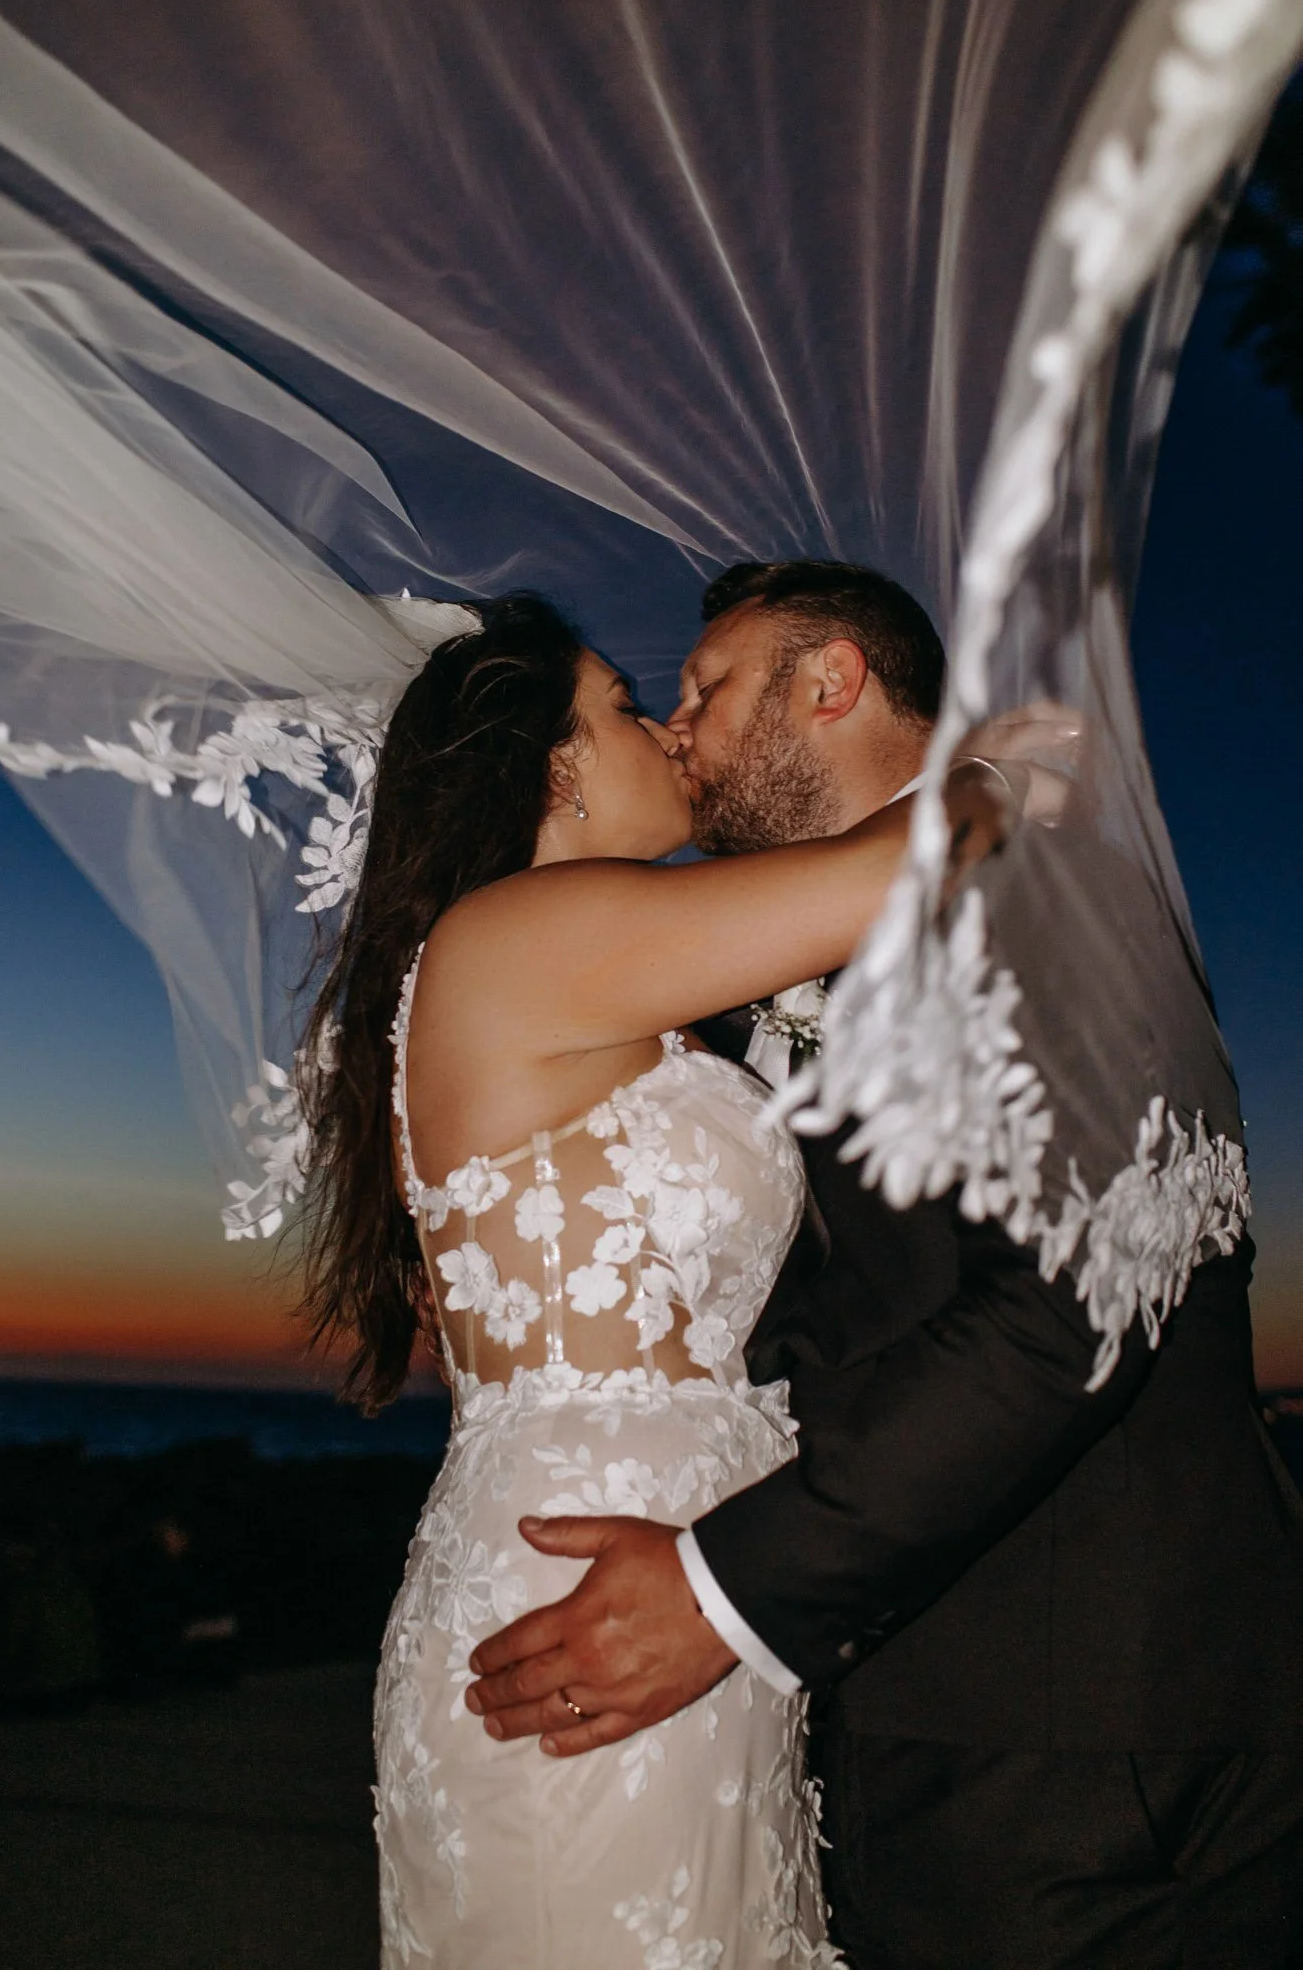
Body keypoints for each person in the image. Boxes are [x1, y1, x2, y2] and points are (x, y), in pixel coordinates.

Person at [467, 562, 1303, 1969]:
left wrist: (721, 1587)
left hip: (1086, 1751)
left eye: (706, 689)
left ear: (832, 683)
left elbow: (1068, 1307)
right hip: (913, 1713)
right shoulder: (767, 972)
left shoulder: (1039, 901)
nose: (677, 729)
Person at [299, 587, 1022, 1968]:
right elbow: (907, 864)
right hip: (582, 1611)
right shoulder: (523, 933)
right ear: (558, 764)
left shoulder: (592, 973)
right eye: (629, 706)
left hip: (670, 1602)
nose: (669, 729)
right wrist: (998, 764)